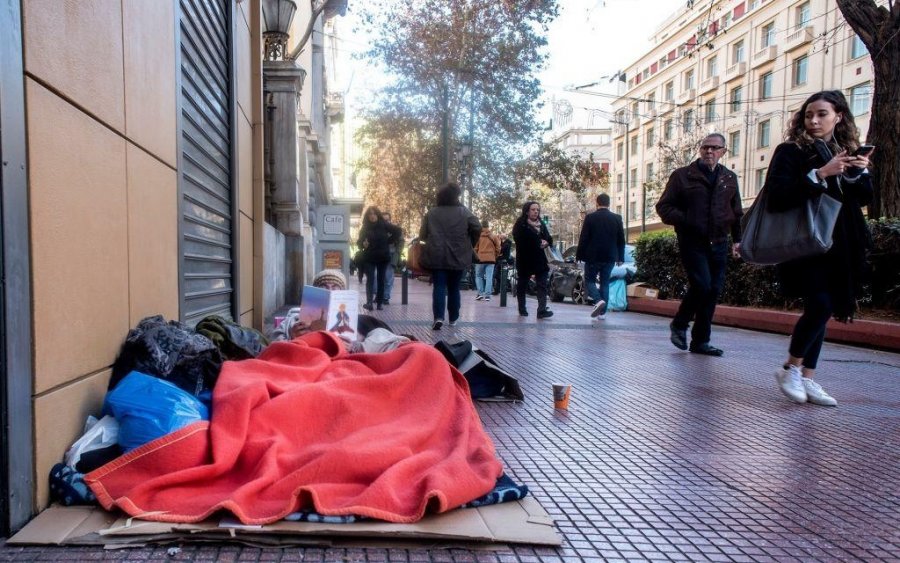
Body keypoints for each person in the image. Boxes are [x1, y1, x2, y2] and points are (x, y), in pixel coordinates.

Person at [765, 90, 872, 407]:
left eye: (822, 114)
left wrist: (858, 171)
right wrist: (821, 174)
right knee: (821, 304)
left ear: (838, 116)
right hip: (807, 241)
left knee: (823, 309)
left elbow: (864, 198)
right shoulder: (791, 152)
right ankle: (790, 368)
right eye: (809, 114)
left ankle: (807, 377)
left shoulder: (845, 151)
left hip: (842, 242)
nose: (813, 121)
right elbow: (778, 196)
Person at [656, 133, 743, 356]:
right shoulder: (683, 176)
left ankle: (700, 341)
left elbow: (736, 213)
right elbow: (664, 208)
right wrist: (687, 220)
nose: (709, 151)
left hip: (720, 242)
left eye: (715, 148)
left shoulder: (729, 178)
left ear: (724, 151)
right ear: (700, 149)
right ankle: (680, 323)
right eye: (705, 147)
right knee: (702, 285)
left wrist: (738, 241)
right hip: (692, 242)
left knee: (713, 291)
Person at [419, 183, 481, 330]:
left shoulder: (432, 213)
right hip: (459, 254)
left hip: (437, 254)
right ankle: (453, 318)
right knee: (454, 288)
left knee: (439, 286)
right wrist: (469, 241)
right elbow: (477, 227)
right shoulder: (464, 212)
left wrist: (430, 241)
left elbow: (422, 235)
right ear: (456, 196)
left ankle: (438, 317)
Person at [576, 193, 625, 320]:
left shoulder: (590, 218)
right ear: (609, 203)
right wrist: (620, 257)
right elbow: (621, 239)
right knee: (605, 283)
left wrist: (579, 255)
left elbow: (584, 238)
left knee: (589, 281)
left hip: (593, 257)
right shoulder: (617, 218)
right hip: (610, 257)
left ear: (597, 203)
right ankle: (602, 313)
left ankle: (598, 301)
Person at [512, 201, 554, 319]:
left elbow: (549, 238)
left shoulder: (541, 224)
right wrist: (537, 242)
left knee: (542, 285)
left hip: (540, 259)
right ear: (527, 211)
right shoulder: (521, 224)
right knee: (523, 284)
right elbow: (520, 240)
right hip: (525, 259)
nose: (536, 212)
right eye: (533, 209)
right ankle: (522, 308)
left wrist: (547, 242)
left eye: (537, 210)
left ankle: (541, 310)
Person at [357, 206, 402, 311]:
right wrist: (363, 244)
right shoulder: (365, 228)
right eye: (370, 214)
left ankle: (380, 303)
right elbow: (359, 243)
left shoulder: (384, 225)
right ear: (367, 216)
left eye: (374, 214)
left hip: (382, 256)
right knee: (370, 279)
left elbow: (398, 231)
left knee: (381, 279)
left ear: (377, 215)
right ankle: (369, 302)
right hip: (369, 257)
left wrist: (388, 241)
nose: (372, 216)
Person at [473, 220, 502, 302]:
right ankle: (487, 296)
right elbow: (498, 248)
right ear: (488, 226)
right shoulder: (493, 236)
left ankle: (480, 293)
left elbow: (475, 248)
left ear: (481, 226)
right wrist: (494, 255)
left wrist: (477, 255)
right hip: (491, 260)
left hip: (480, 259)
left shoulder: (478, 236)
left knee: (479, 276)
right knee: (489, 277)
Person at [381, 211, 402, 305]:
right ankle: (378, 295)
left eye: (387, 220)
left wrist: (397, 254)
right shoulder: (378, 229)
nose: (386, 222)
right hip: (379, 255)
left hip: (391, 255)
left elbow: (401, 242)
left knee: (388, 277)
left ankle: (385, 297)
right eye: (383, 220)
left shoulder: (395, 230)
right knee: (377, 276)